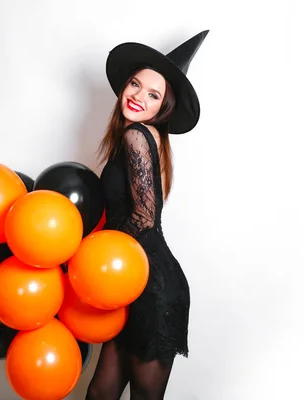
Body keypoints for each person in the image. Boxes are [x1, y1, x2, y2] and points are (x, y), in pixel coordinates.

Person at [86, 30, 209, 400]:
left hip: (153, 288)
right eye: (136, 84)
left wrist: (92, 255)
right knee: (101, 393)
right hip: (133, 282)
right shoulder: (146, 137)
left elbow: (144, 218)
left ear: (163, 107)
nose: (138, 96)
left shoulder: (138, 135)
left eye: (153, 94)